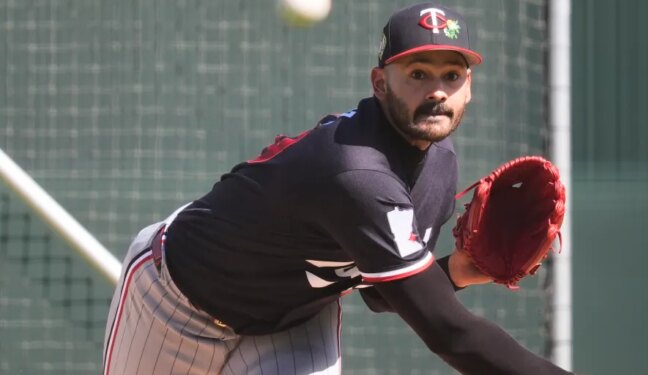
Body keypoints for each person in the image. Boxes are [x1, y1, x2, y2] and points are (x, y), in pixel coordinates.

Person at [102, 3, 573, 374]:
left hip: (293, 322)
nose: (436, 91)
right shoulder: (356, 171)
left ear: (469, 89)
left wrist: (462, 269)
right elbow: (450, 334)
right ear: (380, 83)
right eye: (417, 74)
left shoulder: (439, 169)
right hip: (175, 301)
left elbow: (378, 292)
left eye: (452, 75)